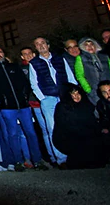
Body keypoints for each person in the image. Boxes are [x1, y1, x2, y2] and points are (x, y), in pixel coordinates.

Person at [0, 46, 47, 171]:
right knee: (13, 135)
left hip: (23, 106)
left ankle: (37, 160)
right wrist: (1, 98)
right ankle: (18, 161)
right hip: (7, 108)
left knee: (31, 133)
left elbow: (26, 83)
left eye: (0, 52)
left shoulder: (14, 67)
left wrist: (25, 97)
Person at [29, 37, 77, 167]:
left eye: (43, 43)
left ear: (48, 45)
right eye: (37, 44)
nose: (41, 46)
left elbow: (70, 75)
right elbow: (34, 83)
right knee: (52, 128)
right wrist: (42, 98)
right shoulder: (34, 63)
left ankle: (75, 154)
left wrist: (73, 91)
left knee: (69, 125)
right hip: (48, 98)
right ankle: (61, 158)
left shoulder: (60, 58)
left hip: (64, 96)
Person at [52, 84, 108, 169]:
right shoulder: (62, 107)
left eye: (78, 93)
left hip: (87, 136)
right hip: (70, 138)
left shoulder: (86, 104)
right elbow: (63, 126)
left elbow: (93, 123)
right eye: (72, 94)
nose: (76, 96)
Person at [74, 37, 110, 105]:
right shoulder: (81, 58)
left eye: (91, 44)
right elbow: (80, 75)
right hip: (94, 91)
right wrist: (88, 90)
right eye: (86, 45)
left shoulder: (105, 57)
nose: (90, 47)